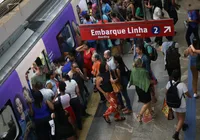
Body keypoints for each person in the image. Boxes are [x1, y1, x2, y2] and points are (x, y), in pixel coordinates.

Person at [166, 70, 191, 140]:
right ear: (179, 77)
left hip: (173, 104)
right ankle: (176, 133)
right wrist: (190, 96)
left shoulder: (169, 83)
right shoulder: (182, 85)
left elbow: (166, 92)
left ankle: (182, 125)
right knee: (182, 118)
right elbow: (187, 94)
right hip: (181, 104)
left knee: (178, 115)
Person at [129, 58, 154, 123]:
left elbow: (132, 79)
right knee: (147, 102)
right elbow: (147, 81)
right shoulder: (144, 71)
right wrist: (153, 81)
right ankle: (140, 115)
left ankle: (150, 111)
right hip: (144, 89)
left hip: (138, 88)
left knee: (147, 101)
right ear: (141, 63)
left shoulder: (133, 70)